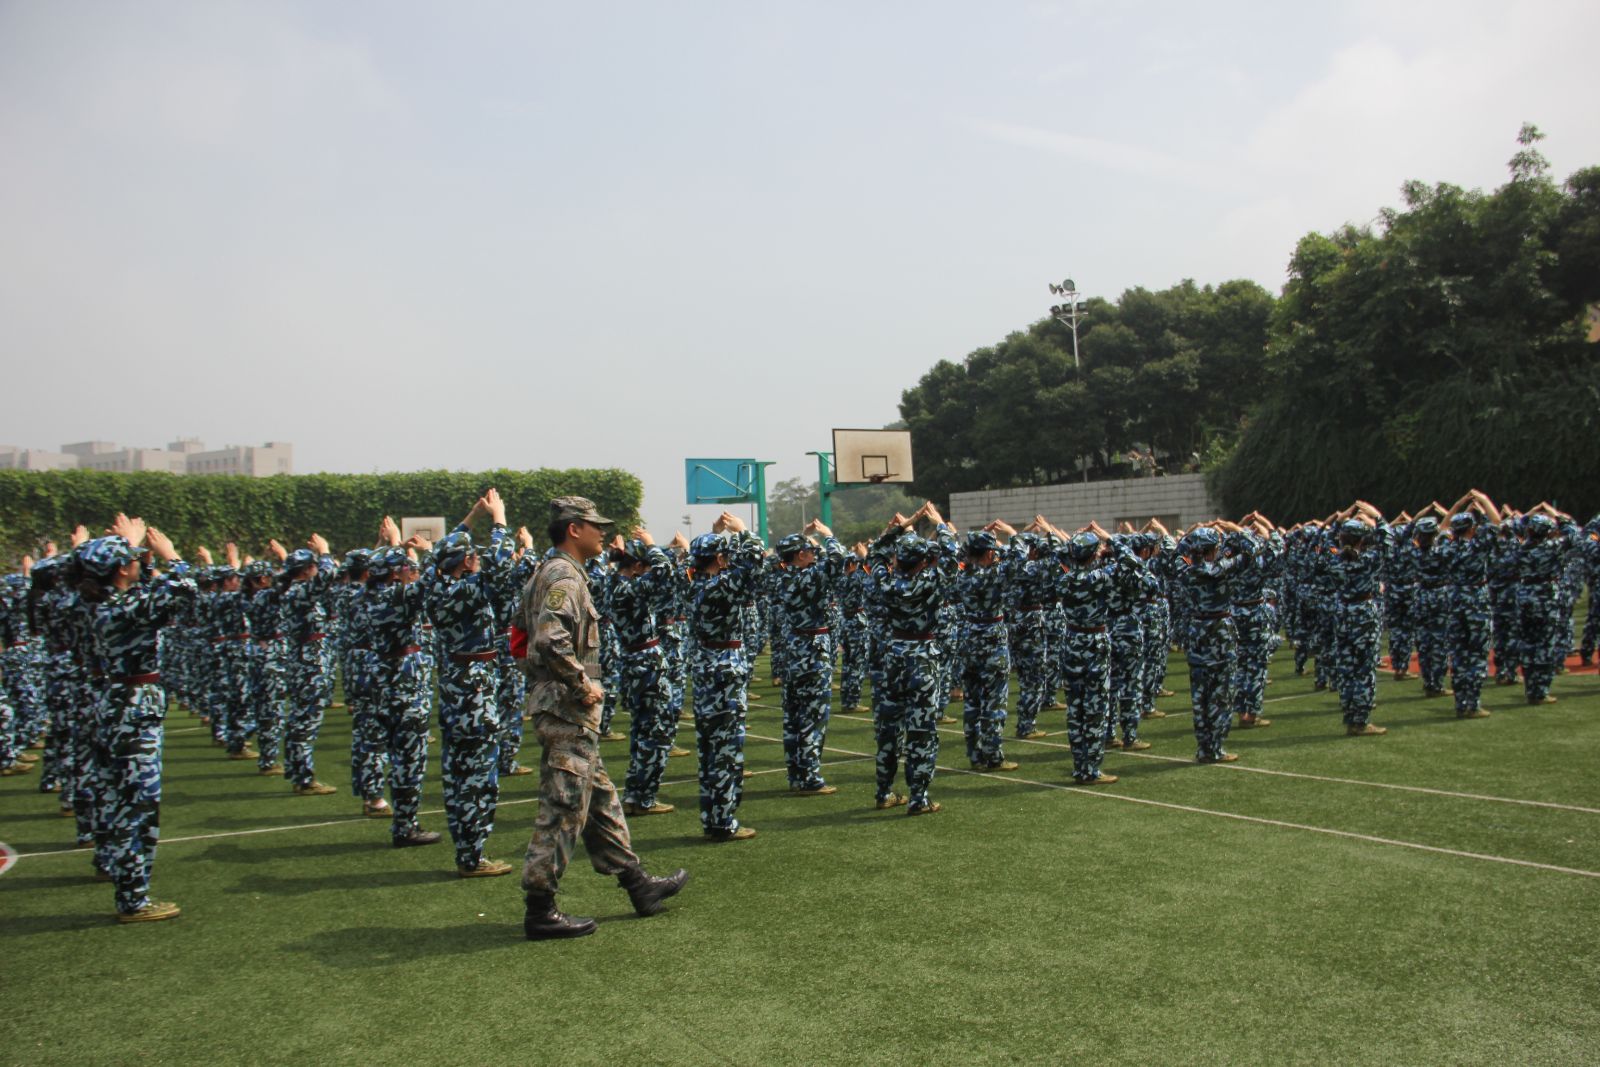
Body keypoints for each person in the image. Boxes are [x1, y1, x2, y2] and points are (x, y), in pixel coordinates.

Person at [519, 496, 687, 940]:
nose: (603, 533)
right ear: (573, 529)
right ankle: (540, 908)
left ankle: (637, 883)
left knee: (599, 803)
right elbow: (549, 639)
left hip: (566, 710)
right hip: (567, 708)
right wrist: (581, 684)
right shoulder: (561, 576)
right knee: (563, 807)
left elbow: (520, 634)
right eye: (595, 526)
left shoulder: (559, 572)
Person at [78, 516, 195, 923]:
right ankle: (133, 899)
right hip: (133, 710)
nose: (137, 561)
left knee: (113, 798)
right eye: (130, 559)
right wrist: (171, 557)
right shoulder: (126, 608)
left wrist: (132, 552)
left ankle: (113, 867)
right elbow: (183, 590)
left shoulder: (100, 602)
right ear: (119, 570)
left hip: (114, 703)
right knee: (138, 807)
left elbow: (144, 594)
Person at [773, 521, 847, 795]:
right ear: (801, 555)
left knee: (793, 716)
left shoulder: (782, 576)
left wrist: (802, 537)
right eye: (809, 550)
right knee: (813, 716)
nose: (814, 553)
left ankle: (796, 774)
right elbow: (838, 559)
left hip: (794, 649)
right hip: (813, 651)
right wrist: (828, 536)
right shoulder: (810, 576)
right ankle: (810, 778)